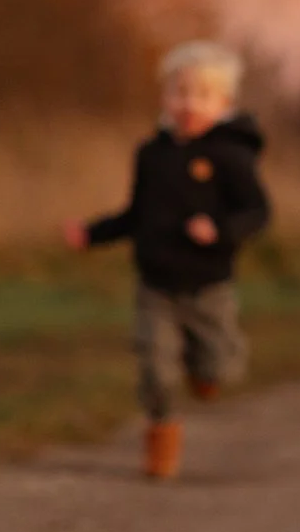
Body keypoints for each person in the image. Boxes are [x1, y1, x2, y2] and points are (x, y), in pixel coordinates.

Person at [64, 41, 272, 481]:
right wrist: (91, 234)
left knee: (220, 367)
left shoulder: (231, 157)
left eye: (202, 95)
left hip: (209, 287)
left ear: (224, 104)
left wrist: (220, 229)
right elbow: (134, 215)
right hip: (155, 285)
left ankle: (207, 371)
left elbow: (258, 212)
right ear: (165, 97)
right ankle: (161, 441)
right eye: (180, 93)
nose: (188, 104)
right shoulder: (151, 156)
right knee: (154, 367)